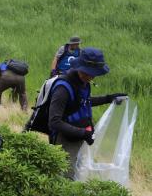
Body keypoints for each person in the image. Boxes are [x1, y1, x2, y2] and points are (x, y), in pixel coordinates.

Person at [47, 47, 126, 178]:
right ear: (79, 67)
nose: (91, 76)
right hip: (65, 140)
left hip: (80, 136)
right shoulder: (63, 88)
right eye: (87, 72)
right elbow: (54, 122)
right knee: (66, 177)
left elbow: (83, 101)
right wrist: (83, 133)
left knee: (78, 172)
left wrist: (108, 98)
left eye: (93, 73)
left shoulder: (82, 82)